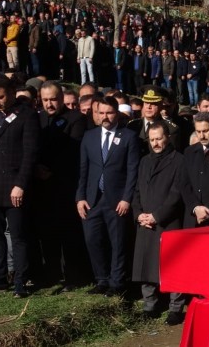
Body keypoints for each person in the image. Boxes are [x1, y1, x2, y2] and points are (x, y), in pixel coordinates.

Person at [76, 96, 140, 297]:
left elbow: (132, 170)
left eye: (109, 113)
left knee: (118, 242)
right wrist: (80, 197)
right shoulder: (89, 136)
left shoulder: (129, 136)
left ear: (117, 114)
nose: (105, 117)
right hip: (92, 199)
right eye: (101, 112)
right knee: (93, 240)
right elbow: (83, 170)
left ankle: (117, 282)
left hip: (117, 200)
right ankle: (101, 279)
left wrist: (127, 198)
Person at [34, 81, 90, 290]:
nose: (49, 104)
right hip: (42, 185)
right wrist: (36, 167)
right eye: (45, 100)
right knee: (47, 232)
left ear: (61, 98)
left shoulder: (76, 119)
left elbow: (72, 150)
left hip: (65, 184)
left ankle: (73, 276)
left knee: (69, 233)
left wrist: (50, 169)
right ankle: (51, 274)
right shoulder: (38, 118)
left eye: (53, 99)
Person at [0, 77, 39, 297]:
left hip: (13, 185)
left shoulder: (27, 115)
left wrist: (20, 184)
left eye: (0, 97)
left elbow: (30, 153)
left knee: (18, 236)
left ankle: (20, 280)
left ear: (11, 93)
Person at [131, 121, 185, 326]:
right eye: (152, 139)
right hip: (145, 221)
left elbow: (176, 194)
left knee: (172, 265)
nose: (155, 143)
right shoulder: (144, 161)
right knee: (145, 263)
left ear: (167, 137)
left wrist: (157, 216)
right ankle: (150, 304)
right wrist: (138, 214)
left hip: (167, 221)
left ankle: (175, 308)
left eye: (159, 138)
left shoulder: (179, 160)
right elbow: (137, 190)